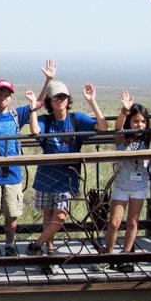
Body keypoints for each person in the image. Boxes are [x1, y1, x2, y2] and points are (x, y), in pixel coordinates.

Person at [26, 80, 108, 275]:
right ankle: (49, 254)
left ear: (68, 99)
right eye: (55, 98)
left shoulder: (75, 119)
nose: (59, 101)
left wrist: (92, 102)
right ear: (50, 102)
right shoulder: (46, 120)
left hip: (67, 177)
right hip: (46, 175)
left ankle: (36, 245)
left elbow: (103, 126)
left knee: (60, 217)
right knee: (48, 217)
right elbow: (35, 131)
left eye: (62, 97)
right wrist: (32, 110)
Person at [96, 91, 151, 273]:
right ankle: (107, 254)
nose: (139, 125)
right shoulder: (122, 138)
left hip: (139, 187)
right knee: (115, 222)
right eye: (135, 121)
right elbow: (117, 128)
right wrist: (124, 111)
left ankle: (126, 256)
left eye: (142, 122)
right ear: (129, 122)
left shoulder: (147, 138)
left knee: (133, 222)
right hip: (121, 186)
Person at [0, 76, 44, 257]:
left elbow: (38, 104)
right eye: (0, 93)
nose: (3, 97)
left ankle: (9, 244)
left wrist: (47, 80)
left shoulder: (17, 115)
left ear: (11, 98)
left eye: (7, 94)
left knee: (12, 214)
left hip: (13, 174)